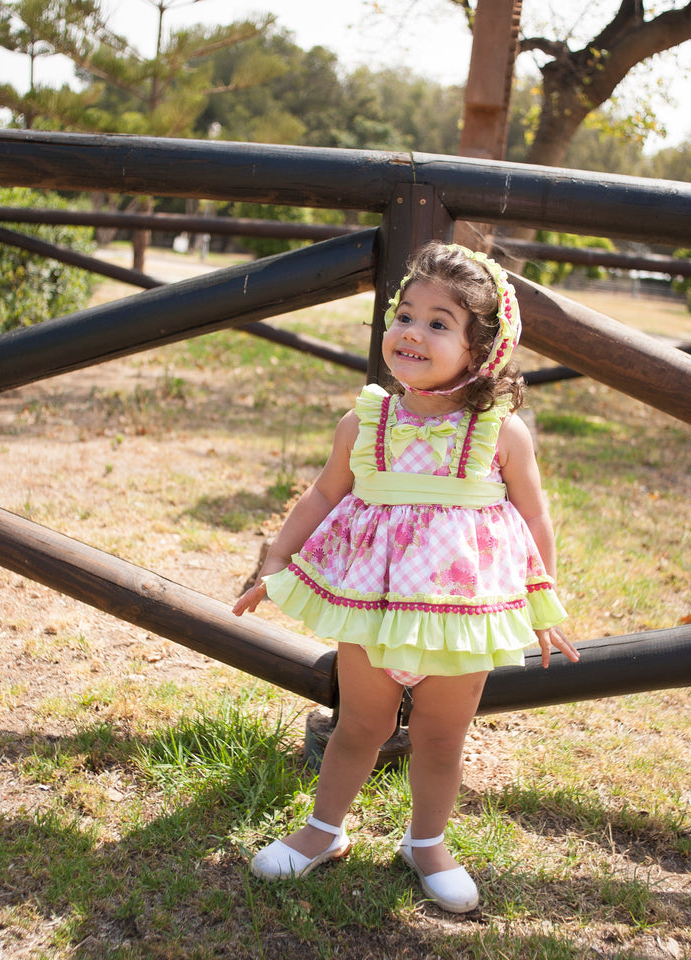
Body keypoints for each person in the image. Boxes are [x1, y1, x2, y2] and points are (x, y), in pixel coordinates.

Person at [233, 241, 580, 913]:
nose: (413, 332)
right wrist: (276, 558)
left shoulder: (500, 432)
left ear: (481, 350)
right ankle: (322, 832)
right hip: (375, 605)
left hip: (461, 613)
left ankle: (427, 843)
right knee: (359, 724)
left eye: (439, 322)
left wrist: (544, 601)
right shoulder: (367, 421)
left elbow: (535, 518)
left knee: (442, 737)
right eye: (405, 315)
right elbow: (322, 496)